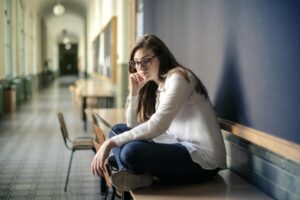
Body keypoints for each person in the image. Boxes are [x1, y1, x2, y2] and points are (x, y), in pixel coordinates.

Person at [91, 34, 227, 192]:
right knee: (117, 130)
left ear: (161, 57)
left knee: (130, 151)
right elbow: (132, 126)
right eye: (136, 63)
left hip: (203, 161)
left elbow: (158, 125)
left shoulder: (179, 78)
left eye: (146, 60)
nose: (140, 67)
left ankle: (132, 171)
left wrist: (109, 144)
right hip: (177, 145)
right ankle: (136, 174)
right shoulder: (160, 86)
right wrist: (134, 93)